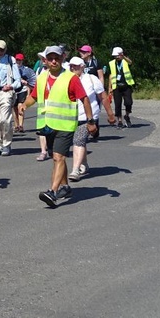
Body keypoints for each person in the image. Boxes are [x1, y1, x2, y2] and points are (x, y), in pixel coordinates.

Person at [19, 46, 96, 208]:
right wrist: (24, 105)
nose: (54, 61)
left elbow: (85, 99)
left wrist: (90, 121)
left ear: (62, 59)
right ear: (45, 60)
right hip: (48, 125)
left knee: (58, 158)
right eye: (51, 58)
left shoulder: (71, 78)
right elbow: (34, 97)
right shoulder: (41, 78)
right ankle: (65, 187)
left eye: (57, 58)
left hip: (66, 125)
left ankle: (52, 192)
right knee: (57, 157)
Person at [67, 57, 115, 182]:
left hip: (88, 117)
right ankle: (84, 164)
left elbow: (103, 97)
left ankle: (75, 170)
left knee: (78, 140)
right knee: (79, 140)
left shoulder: (91, 79)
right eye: (71, 66)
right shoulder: (66, 79)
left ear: (83, 66)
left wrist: (110, 114)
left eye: (76, 66)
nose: (73, 68)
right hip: (71, 117)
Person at [108, 46, 135, 128]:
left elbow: (130, 62)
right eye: (115, 56)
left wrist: (124, 57)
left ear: (121, 54)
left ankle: (127, 115)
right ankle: (119, 121)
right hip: (116, 86)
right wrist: (110, 87)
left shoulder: (125, 61)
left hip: (126, 85)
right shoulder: (111, 63)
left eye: (117, 55)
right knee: (117, 104)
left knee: (128, 102)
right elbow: (110, 75)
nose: (116, 57)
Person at [14, 53, 36, 133]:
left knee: (20, 106)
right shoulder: (11, 69)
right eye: (17, 60)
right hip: (13, 90)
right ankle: (16, 125)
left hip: (22, 90)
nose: (18, 61)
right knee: (14, 108)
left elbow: (29, 83)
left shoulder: (26, 70)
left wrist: (28, 94)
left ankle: (20, 125)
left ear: (22, 61)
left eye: (20, 60)